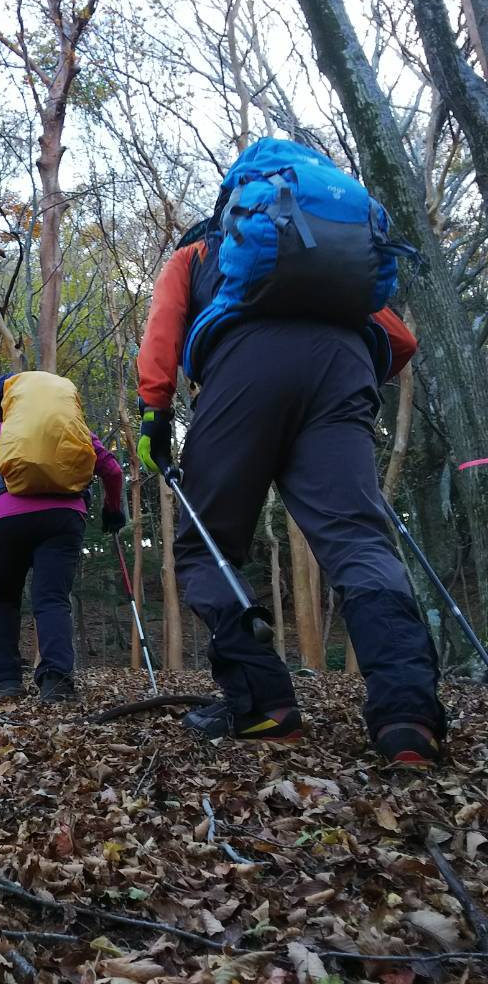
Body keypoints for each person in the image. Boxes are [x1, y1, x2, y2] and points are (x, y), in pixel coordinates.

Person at [136, 226, 446, 767]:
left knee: (204, 548)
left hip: (243, 368)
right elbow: (402, 341)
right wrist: (345, 382)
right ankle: (408, 717)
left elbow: (162, 330)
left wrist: (154, 413)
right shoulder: (322, 263)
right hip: (344, 367)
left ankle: (265, 705)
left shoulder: (195, 256)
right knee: (358, 541)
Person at [0, 373, 126, 704]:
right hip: (63, 518)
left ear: (4, 405)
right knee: (53, 599)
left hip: (7, 522)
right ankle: (56, 682)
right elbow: (112, 470)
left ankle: (6, 681)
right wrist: (113, 508)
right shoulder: (74, 431)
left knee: (2, 598)